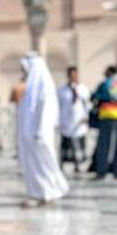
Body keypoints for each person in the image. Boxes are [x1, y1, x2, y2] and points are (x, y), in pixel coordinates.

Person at [17, 53, 69, 207]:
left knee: (44, 163)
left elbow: (47, 109)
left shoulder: (44, 83)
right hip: (31, 134)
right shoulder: (33, 85)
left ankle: (48, 192)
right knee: (34, 165)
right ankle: (38, 193)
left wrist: (40, 130)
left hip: (39, 133)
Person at [57, 66, 91, 175]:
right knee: (65, 146)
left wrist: (86, 117)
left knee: (79, 146)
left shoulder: (83, 89)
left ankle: (78, 166)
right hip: (66, 121)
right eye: (70, 75)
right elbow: (57, 105)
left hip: (79, 122)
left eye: (74, 75)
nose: (73, 77)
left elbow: (88, 105)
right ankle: (62, 165)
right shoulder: (61, 90)